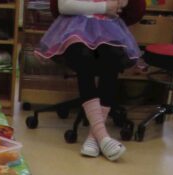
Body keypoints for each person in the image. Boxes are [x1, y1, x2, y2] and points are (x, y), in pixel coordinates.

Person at [35, 0, 141, 161]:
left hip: (108, 27)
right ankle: (103, 136)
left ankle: (94, 136)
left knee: (111, 59)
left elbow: (123, 4)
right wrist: (104, 7)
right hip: (75, 27)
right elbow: (64, 6)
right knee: (83, 58)